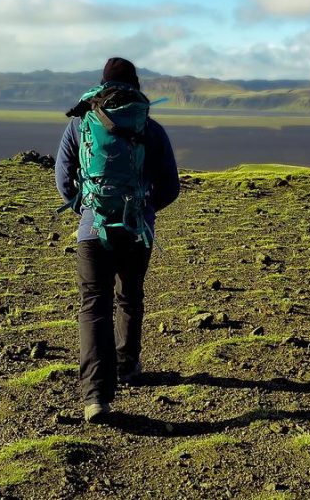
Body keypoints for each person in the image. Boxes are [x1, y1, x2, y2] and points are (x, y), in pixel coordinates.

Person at [55, 57, 180, 423]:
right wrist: (144, 210)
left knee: (94, 306)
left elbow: (63, 178)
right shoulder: (150, 128)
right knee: (130, 295)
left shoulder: (81, 123)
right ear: (135, 85)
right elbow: (171, 186)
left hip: (92, 231)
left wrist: (87, 209)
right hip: (137, 230)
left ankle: (96, 396)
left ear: (102, 84)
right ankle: (127, 364)